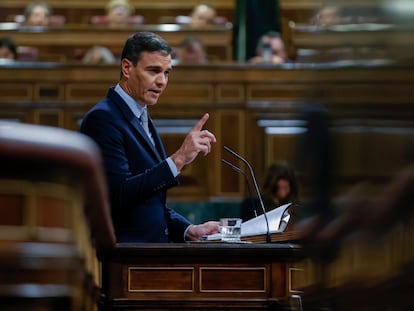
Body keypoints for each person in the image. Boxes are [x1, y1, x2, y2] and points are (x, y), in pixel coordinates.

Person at [80, 32, 219, 243]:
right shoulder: (103, 118)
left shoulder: (141, 115)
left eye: (166, 73)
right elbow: (118, 195)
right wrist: (178, 159)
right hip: (125, 256)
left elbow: (148, 203)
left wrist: (187, 229)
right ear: (127, 68)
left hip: (149, 252)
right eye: (154, 71)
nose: (162, 81)